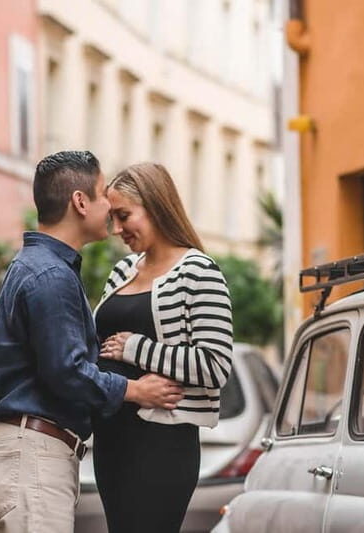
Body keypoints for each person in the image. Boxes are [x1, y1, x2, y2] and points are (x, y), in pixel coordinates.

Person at [0, 151, 184, 533]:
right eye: (104, 194)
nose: (110, 207)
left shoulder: (40, 267)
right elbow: (66, 371)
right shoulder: (50, 276)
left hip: (31, 452)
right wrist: (136, 390)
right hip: (34, 454)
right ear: (80, 202)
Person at [93, 162, 234, 533]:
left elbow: (216, 365)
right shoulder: (122, 271)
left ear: (155, 206)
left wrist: (137, 348)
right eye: (112, 218)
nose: (117, 229)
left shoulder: (199, 271)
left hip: (161, 445)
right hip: (112, 444)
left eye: (124, 216)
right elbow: (99, 347)